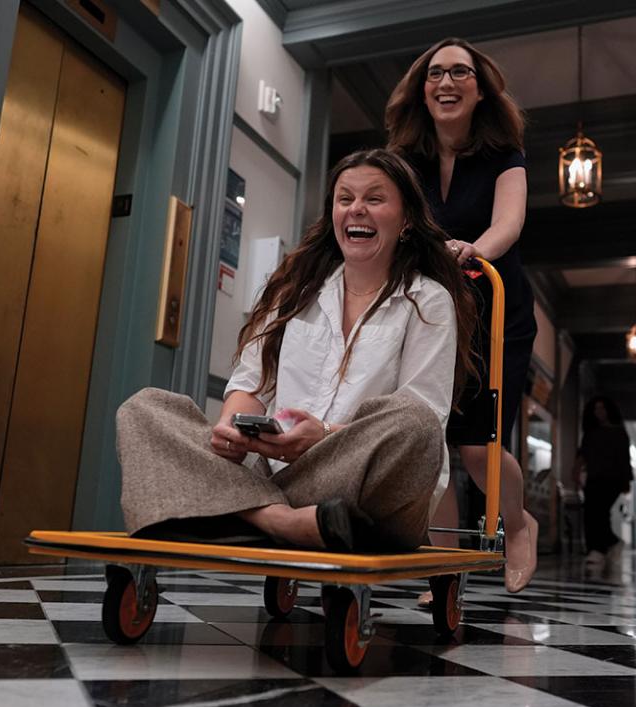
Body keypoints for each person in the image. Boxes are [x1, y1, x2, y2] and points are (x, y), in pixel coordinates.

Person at [116, 149, 477, 552]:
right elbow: (252, 385)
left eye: (375, 199)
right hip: (273, 476)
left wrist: (324, 435)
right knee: (144, 409)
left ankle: (240, 513)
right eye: (345, 199)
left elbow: (423, 413)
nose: (356, 209)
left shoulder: (428, 300)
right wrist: (231, 430)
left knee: (416, 423)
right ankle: (280, 520)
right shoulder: (295, 290)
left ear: (406, 219)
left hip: (358, 481)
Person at [386, 37, 539, 594]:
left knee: (477, 447)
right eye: (434, 74)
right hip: (429, 314)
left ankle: (517, 526)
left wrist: (474, 250)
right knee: (428, 443)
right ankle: (443, 567)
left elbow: (509, 224)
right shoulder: (406, 161)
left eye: (459, 72)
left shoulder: (504, 154)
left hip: (496, 313)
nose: (446, 82)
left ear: (480, 90)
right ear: (421, 90)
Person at [576, 396, 632, 571]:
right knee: (592, 513)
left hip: (612, 479)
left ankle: (600, 548)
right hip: (594, 477)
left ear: (609, 410)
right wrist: (575, 471)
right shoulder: (591, 433)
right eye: (596, 409)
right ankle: (601, 547)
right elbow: (582, 454)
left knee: (599, 511)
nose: (598, 412)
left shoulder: (619, 433)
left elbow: (624, 458)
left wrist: (626, 481)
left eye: (602, 408)